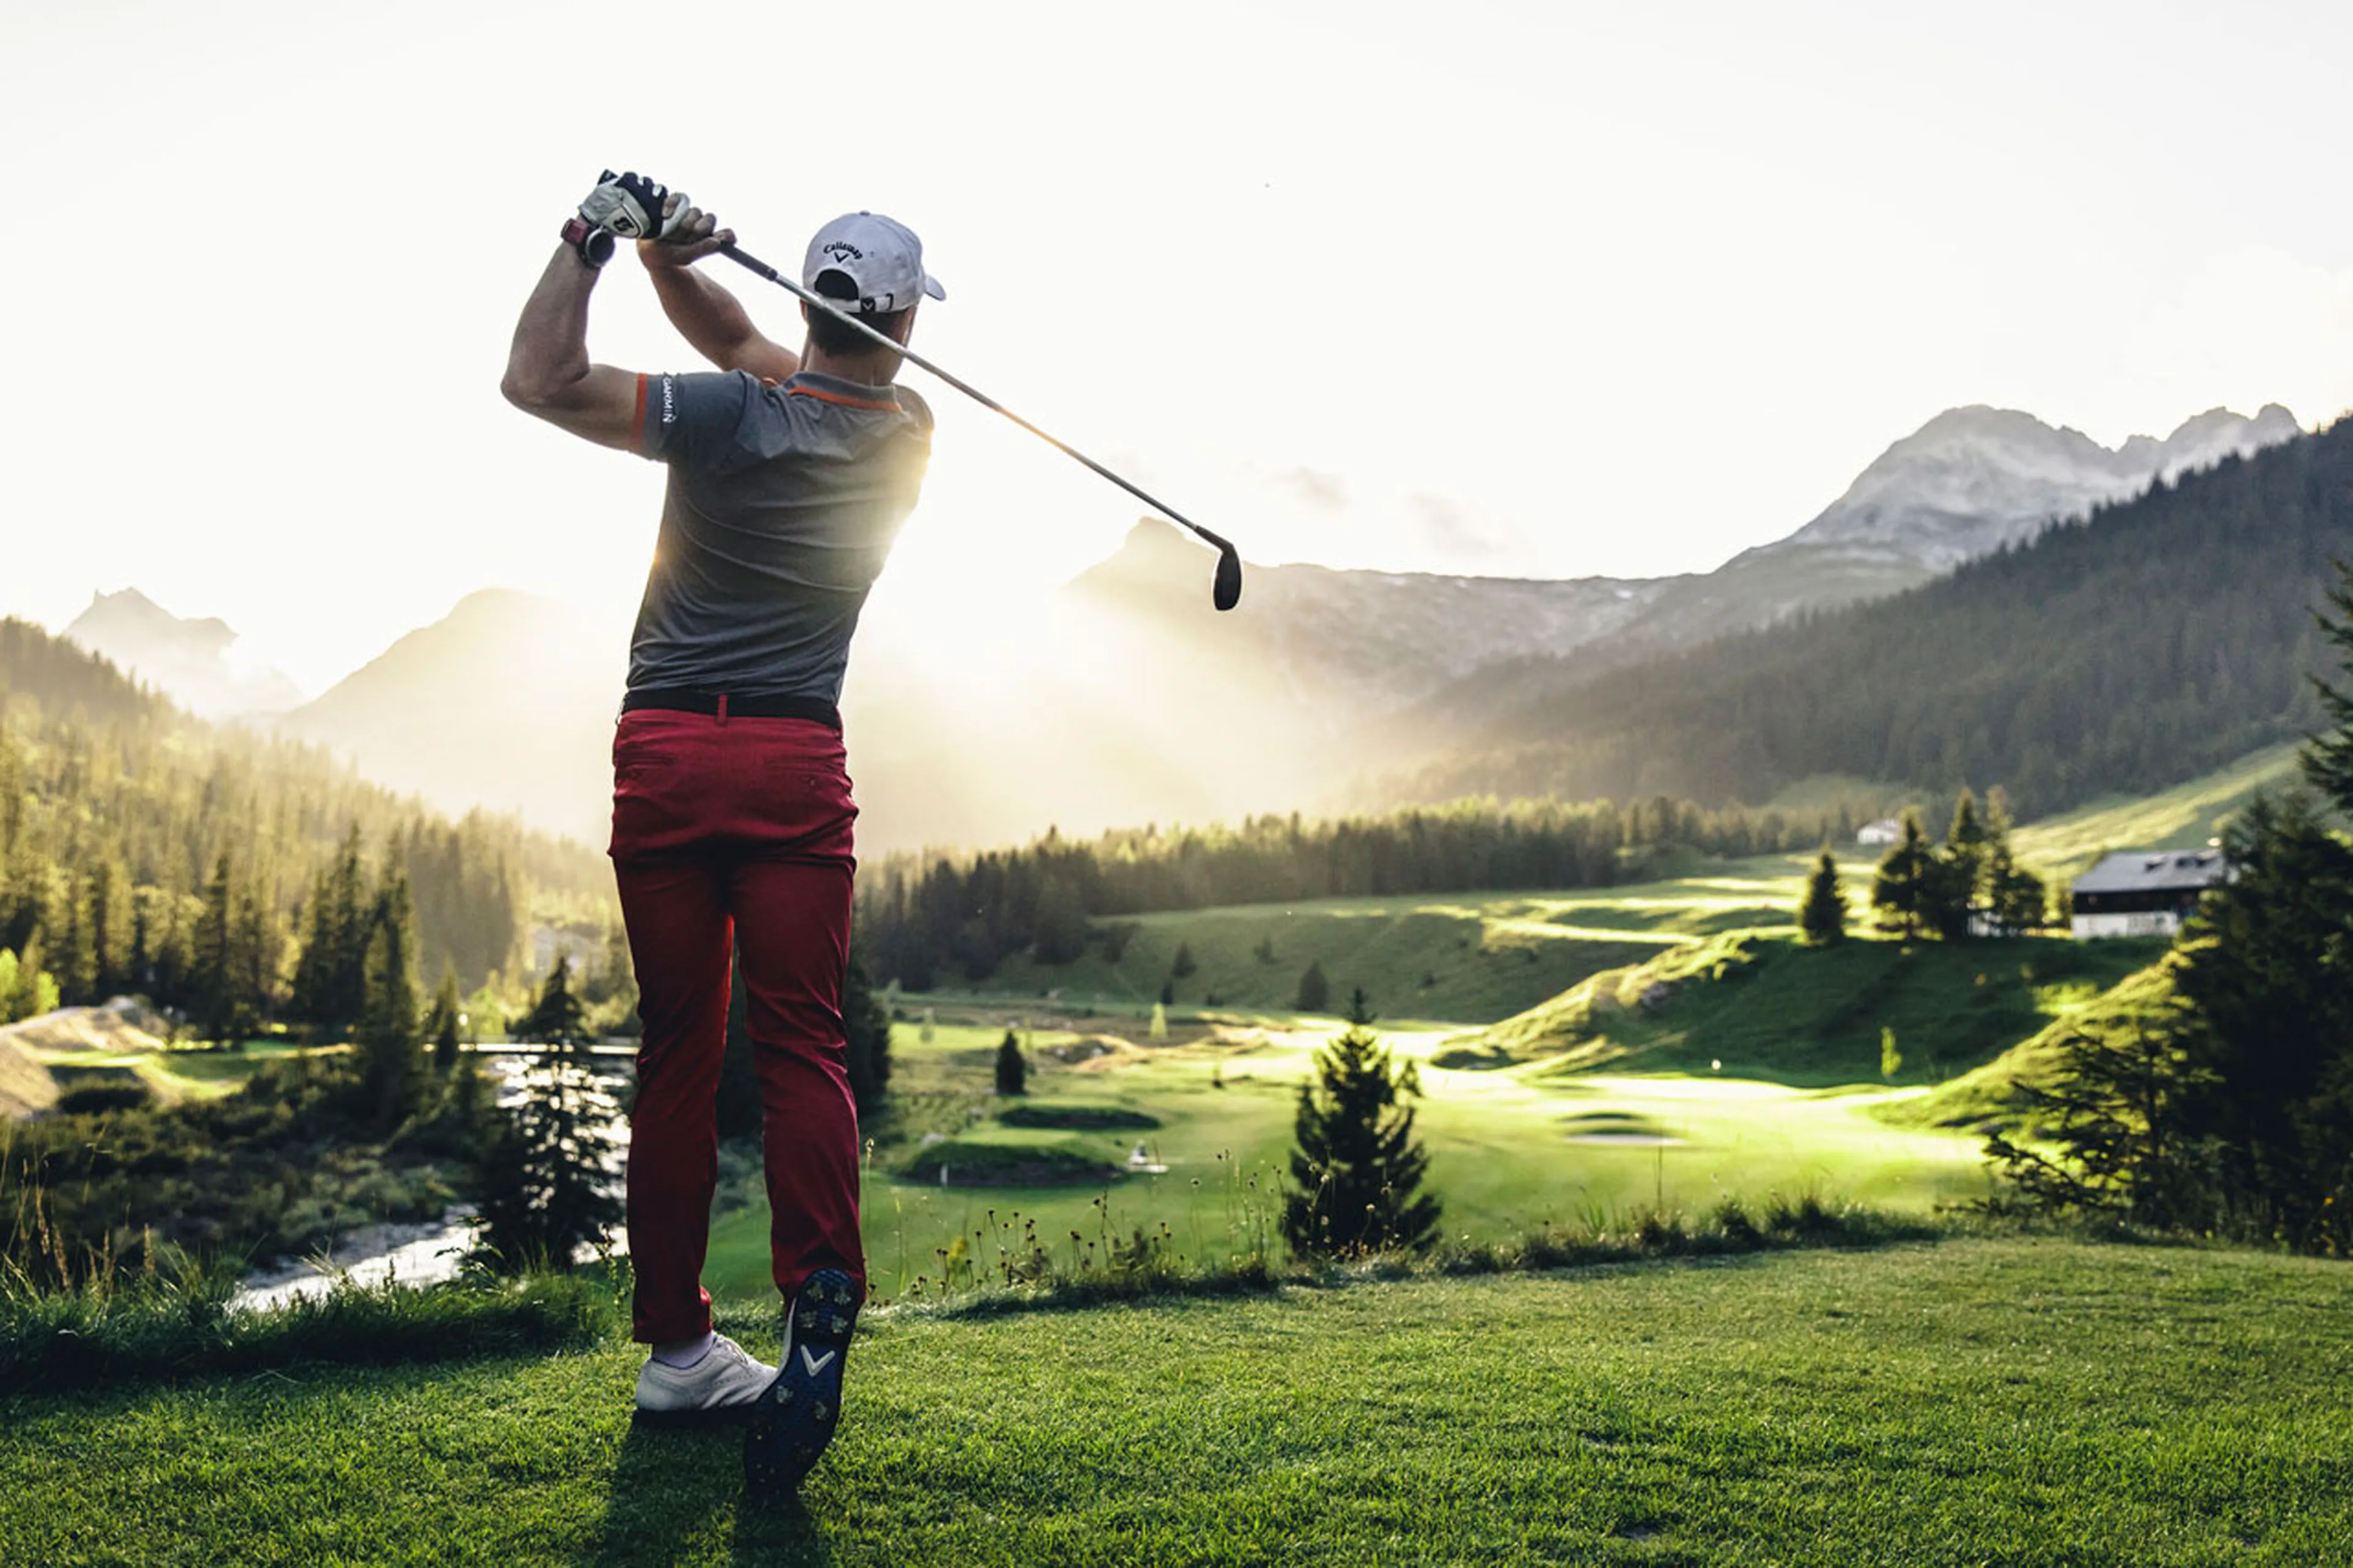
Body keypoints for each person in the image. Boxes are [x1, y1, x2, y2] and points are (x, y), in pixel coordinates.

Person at [501, 170, 942, 1493]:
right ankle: (820, 1289)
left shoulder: (717, 417)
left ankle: (680, 1346)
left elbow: (539, 378)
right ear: (907, 328)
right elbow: (763, 353)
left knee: (682, 1051)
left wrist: (595, 239)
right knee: (803, 1041)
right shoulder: (907, 429)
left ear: (813, 300)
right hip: (800, 757)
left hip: (673, 754)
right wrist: (670, 260)